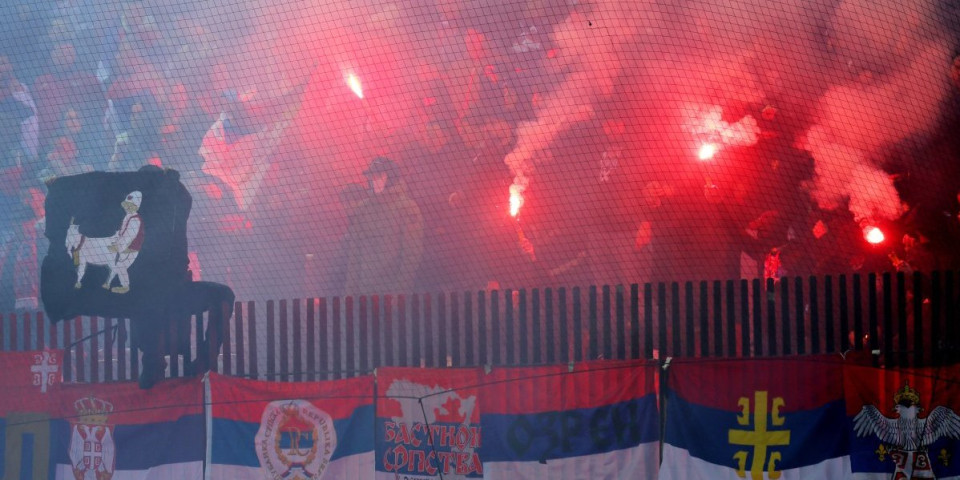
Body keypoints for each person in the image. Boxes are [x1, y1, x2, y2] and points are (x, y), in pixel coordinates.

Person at [344, 157, 424, 295]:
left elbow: (412, 254)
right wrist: (350, 294)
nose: (374, 180)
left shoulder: (407, 207)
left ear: (391, 177)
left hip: (391, 295)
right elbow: (354, 256)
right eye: (372, 176)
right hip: (364, 292)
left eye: (379, 176)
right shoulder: (362, 209)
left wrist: (400, 291)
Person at [105, 191, 144, 293]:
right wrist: (115, 242)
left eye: (131, 205)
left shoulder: (135, 220)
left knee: (120, 266)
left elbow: (129, 237)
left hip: (131, 248)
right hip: (124, 246)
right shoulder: (128, 217)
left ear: (136, 206)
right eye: (127, 205)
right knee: (117, 265)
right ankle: (108, 283)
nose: (128, 207)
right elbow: (122, 232)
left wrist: (118, 247)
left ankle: (125, 287)